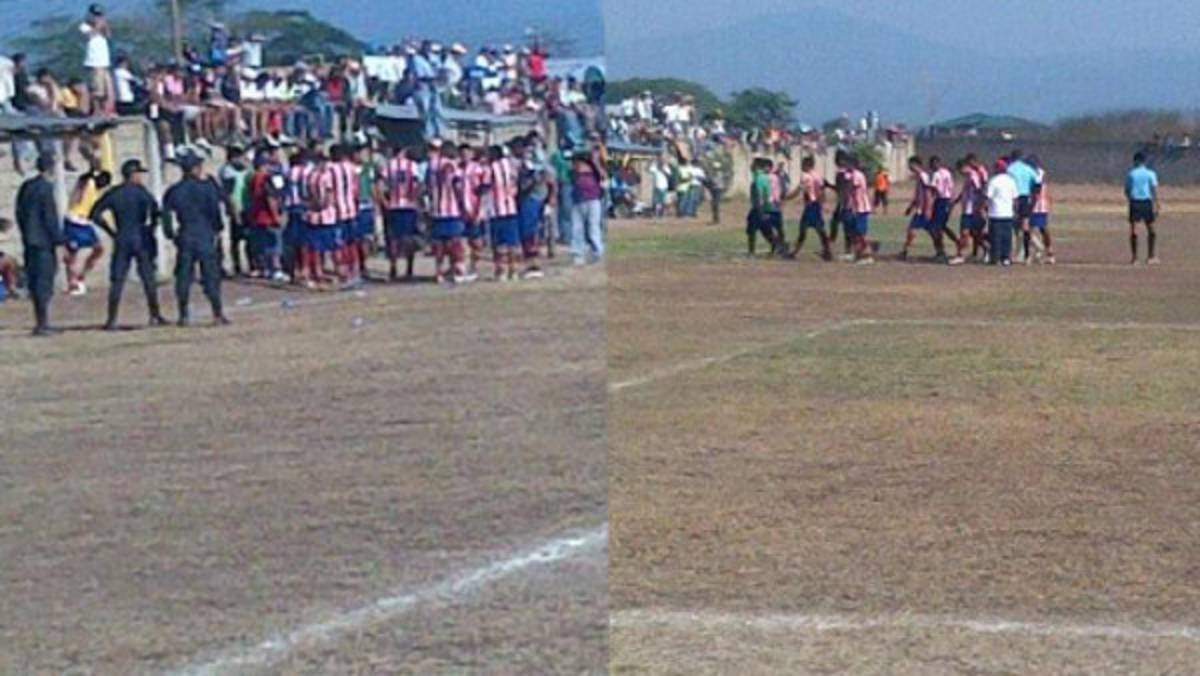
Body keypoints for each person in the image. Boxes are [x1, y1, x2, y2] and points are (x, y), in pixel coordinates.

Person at [89, 159, 166, 329]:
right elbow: (156, 212)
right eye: (139, 173)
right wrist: (151, 228)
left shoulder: (115, 193)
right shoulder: (141, 192)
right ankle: (155, 314)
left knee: (118, 279)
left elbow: (94, 213)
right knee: (148, 277)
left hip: (122, 236)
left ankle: (112, 319)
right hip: (140, 235)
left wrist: (111, 231)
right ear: (133, 174)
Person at [162, 151, 229, 326]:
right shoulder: (206, 187)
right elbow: (215, 210)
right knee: (210, 275)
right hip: (204, 233)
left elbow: (166, 215)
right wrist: (218, 228)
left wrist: (170, 234)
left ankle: (183, 314)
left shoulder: (174, 190)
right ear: (195, 169)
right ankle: (217, 313)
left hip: (185, 234)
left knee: (184, 276)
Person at [16, 153, 64, 336]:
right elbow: (49, 217)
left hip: (30, 240)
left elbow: (19, 212)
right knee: (45, 281)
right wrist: (59, 240)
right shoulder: (46, 188)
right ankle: (43, 323)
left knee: (35, 281)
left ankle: (40, 320)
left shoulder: (26, 187)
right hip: (44, 242)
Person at [62, 164, 111, 296]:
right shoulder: (88, 183)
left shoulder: (96, 191)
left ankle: (79, 277)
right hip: (75, 221)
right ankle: (73, 283)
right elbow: (82, 181)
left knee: (98, 249)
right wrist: (92, 168)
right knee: (75, 254)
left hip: (84, 222)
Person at [378, 145, 423, 281]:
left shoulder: (388, 166)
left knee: (393, 238)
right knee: (409, 237)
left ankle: (393, 267)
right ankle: (409, 268)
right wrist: (414, 198)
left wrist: (384, 200)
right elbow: (418, 184)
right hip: (408, 206)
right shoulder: (412, 166)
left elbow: (379, 184)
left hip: (393, 205)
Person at [783, 156, 832, 261]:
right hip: (816, 205)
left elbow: (798, 190)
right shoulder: (818, 176)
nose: (801, 167)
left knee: (803, 229)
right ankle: (827, 252)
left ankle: (794, 253)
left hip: (810, 205)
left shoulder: (805, 176)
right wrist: (823, 204)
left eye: (802, 164)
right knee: (820, 230)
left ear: (807, 165)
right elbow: (822, 191)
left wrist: (786, 197)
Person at [900, 155, 948, 263]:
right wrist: (911, 207)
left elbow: (928, 194)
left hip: (924, 210)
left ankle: (941, 252)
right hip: (920, 209)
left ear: (915, 164)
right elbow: (919, 194)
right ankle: (905, 251)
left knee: (931, 232)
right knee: (920, 230)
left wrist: (928, 209)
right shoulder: (920, 177)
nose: (909, 167)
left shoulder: (923, 177)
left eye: (910, 165)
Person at [488, 144, 521, 281]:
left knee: (499, 243)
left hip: (497, 209)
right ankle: (513, 270)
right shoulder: (511, 165)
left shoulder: (491, 168)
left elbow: (486, 185)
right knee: (512, 242)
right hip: (511, 207)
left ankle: (501, 270)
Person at [569, 148, 606, 266]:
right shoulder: (575, 169)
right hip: (579, 200)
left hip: (593, 199)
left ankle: (597, 250)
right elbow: (573, 174)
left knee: (593, 227)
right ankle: (578, 253)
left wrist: (595, 162)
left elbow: (603, 176)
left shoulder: (595, 169)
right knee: (577, 228)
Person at [1125, 151, 1160, 265]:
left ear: (1136, 161)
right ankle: (1151, 256)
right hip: (1146, 202)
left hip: (1135, 201)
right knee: (1151, 229)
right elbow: (1154, 189)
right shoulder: (1151, 173)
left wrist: (1130, 200)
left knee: (1134, 229)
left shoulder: (1131, 174)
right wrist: (1157, 203)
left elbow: (1127, 190)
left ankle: (1134, 258)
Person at [1006, 150, 1039, 263]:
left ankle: (1012, 253)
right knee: (1025, 226)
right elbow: (1037, 182)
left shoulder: (1009, 169)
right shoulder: (1028, 169)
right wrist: (1034, 198)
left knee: (1013, 227)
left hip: (1013, 198)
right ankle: (1027, 255)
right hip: (1025, 198)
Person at [953, 158, 988, 263]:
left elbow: (979, 190)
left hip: (971, 210)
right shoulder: (968, 177)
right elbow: (965, 192)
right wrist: (956, 201)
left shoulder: (973, 176)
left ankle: (960, 255)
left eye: (960, 171)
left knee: (965, 233)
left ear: (964, 167)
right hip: (967, 210)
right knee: (974, 234)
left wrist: (980, 206)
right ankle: (986, 249)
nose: (960, 173)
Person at [986, 159, 1019, 267]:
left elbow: (988, 197)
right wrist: (1015, 211)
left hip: (995, 213)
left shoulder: (993, 181)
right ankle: (1006, 258)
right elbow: (1015, 199)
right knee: (1006, 238)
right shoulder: (1011, 181)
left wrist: (983, 209)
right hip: (1007, 213)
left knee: (995, 237)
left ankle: (996, 258)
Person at [1028, 155, 1055, 264]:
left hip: (1038, 205)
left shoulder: (1039, 173)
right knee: (1035, 229)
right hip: (1038, 204)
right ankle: (1041, 250)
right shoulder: (1033, 172)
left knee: (1038, 229)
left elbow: (1037, 188)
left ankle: (1047, 252)